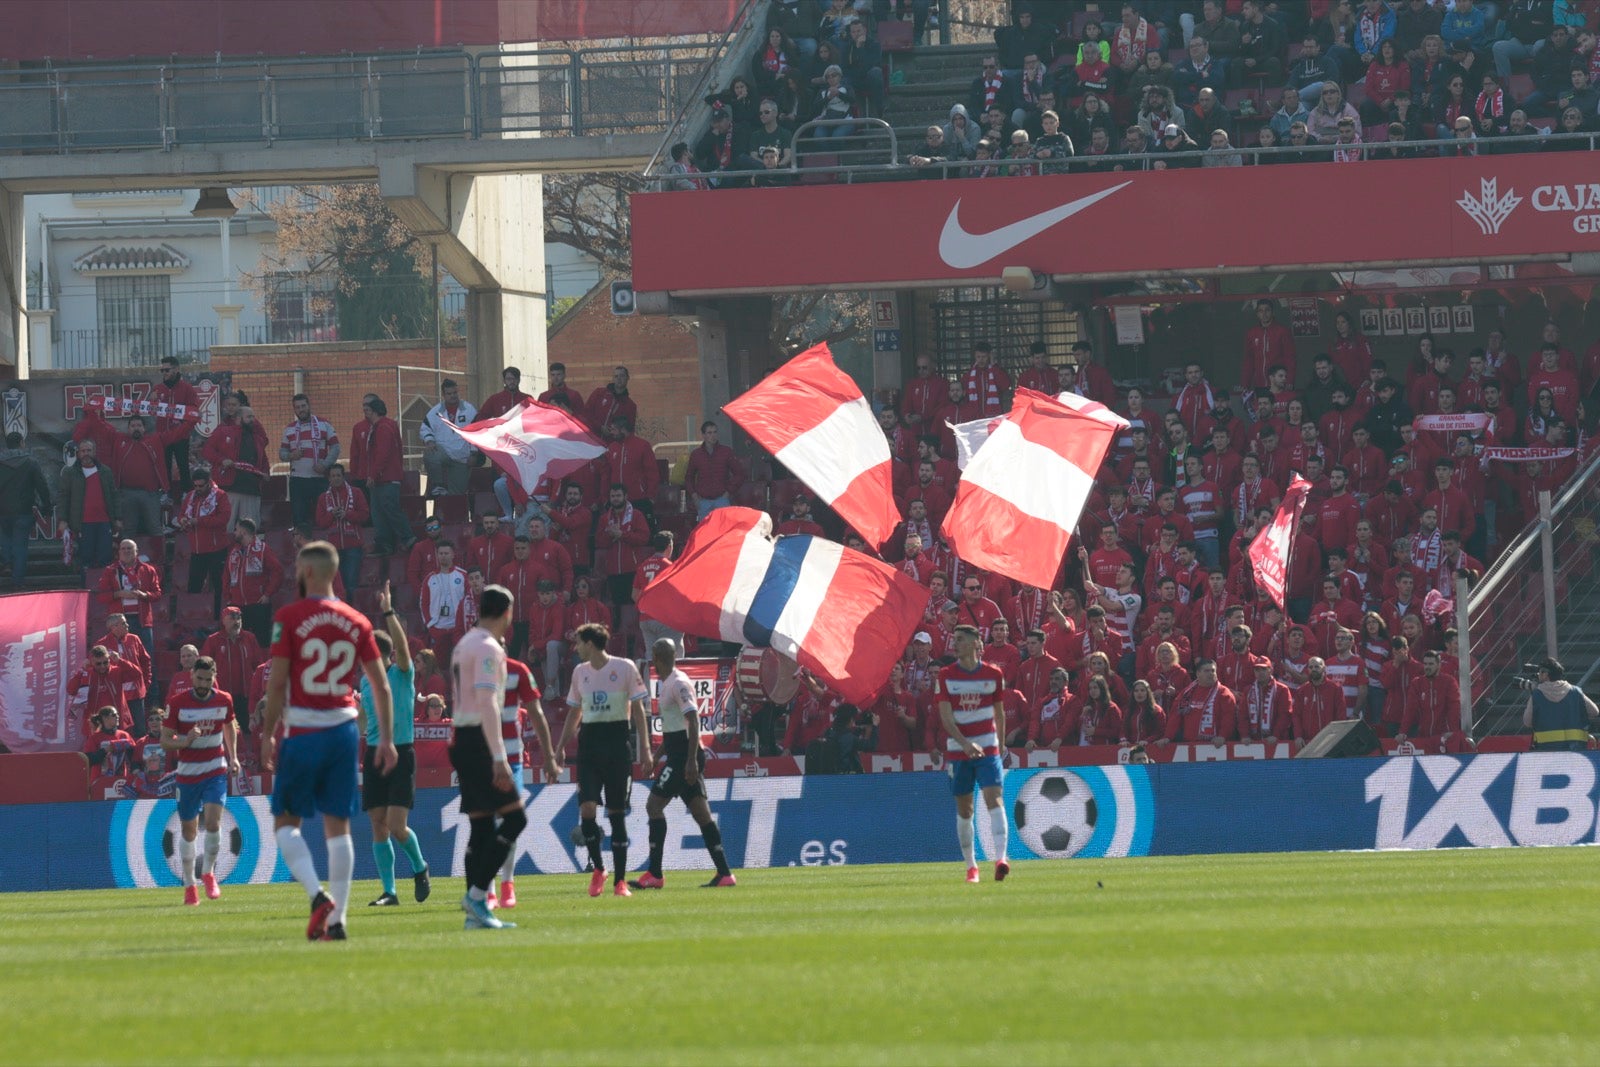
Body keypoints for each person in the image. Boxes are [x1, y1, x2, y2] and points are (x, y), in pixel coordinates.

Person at [261, 540, 397, 942]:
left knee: (286, 824)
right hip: (344, 731)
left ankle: (317, 895)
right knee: (339, 827)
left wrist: (267, 733)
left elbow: (277, 682)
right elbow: (381, 687)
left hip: (303, 730)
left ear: (307, 572)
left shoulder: (288, 617)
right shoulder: (358, 621)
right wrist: (386, 739)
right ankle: (339, 921)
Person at [554, 622, 653, 898]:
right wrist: (560, 747)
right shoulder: (579, 672)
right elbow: (575, 713)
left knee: (616, 814)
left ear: (590, 644)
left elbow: (639, 711)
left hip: (617, 746)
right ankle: (599, 868)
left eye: (578, 643)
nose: (575, 648)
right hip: (589, 747)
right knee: (587, 810)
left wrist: (645, 748)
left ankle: (620, 881)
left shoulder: (625, 668)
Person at [631, 638, 737, 890]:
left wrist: (690, 761)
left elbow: (693, 720)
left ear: (657, 658)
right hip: (679, 753)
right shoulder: (669, 683)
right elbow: (673, 729)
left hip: (683, 757)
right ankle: (725, 874)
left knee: (653, 805)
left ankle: (655, 874)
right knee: (702, 814)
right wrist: (657, 757)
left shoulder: (678, 683)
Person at [362, 582, 432, 908]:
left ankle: (420, 867)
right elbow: (364, 721)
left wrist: (388, 611)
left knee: (396, 825)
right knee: (378, 825)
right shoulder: (365, 682)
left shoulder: (402, 673)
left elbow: (403, 648)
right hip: (373, 754)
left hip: (401, 753)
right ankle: (389, 891)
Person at [161, 656, 240, 905]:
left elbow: (229, 726)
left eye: (208, 679)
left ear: (214, 677)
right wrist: (185, 740)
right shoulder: (177, 703)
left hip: (215, 770)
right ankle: (189, 884)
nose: (204, 684)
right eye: (200, 678)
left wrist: (234, 757)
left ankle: (208, 873)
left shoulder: (224, 699)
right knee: (189, 831)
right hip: (187, 775)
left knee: (214, 822)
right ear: (191, 676)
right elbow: (165, 741)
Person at [936, 624, 1009, 885]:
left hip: (988, 748)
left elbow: (999, 713)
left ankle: (1001, 859)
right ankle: (971, 867)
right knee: (965, 809)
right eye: (954, 639)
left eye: (960, 639)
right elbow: (946, 718)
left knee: (994, 798)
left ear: (975, 643)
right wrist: (965, 744)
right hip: (959, 751)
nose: (955, 644)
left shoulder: (993, 674)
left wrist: (1000, 745)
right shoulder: (946, 675)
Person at [490, 654, 560, 908]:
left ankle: (507, 884)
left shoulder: (518, 670)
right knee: (485, 824)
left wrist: (549, 756)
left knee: (510, 820)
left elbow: (536, 712)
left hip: (512, 759)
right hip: (481, 758)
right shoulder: (472, 669)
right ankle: (488, 890)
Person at [200, 392, 268, 533]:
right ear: (239, 418)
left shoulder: (258, 438)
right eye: (249, 417)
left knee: (249, 531)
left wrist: (266, 473)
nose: (253, 420)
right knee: (227, 528)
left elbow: (263, 458)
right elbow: (207, 450)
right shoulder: (223, 430)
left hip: (251, 489)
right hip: (229, 487)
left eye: (253, 417)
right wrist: (221, 460)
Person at [280, 393, 340, 531]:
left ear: (309, 405)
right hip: (298, 480)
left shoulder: (324, 424)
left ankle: (325, 543)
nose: (301, 410)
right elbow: (282, 454)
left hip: (320, 479)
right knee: (299, 519)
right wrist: (291, 455)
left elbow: (336, 447)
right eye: (297, 407)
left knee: (324, 517)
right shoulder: (289, 429)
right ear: (294, 410)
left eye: (303, 406)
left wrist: (325, 464)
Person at [59, 437, 118, 571]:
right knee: (86, 559)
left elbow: (114, 496)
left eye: (89, 450)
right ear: (78, 453)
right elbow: (63, 497)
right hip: (82, 524)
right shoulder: (70, 473)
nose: (86, 453)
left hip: (104, 522)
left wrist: (118, 518)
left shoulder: (105, 471)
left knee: (105, 558)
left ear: (94, 452)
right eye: (83, 451)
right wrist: (63, 520)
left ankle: (105, 584)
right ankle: (86, 583)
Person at [0, 432, 50, 590]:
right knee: (20, 546)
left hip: (2, 510)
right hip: (23, 510)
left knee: (5, 539)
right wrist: (47, 506)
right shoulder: (30, 462)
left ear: (7, 444)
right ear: (22, 443)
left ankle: (7, 562)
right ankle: (18, 582)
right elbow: (42, 486)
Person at [224, 518, 285, 647]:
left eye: (236, 530)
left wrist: (267, 594)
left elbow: (278, 571)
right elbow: (226, 576)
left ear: (244, 532)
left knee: (261, 642)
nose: (234, 533)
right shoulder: (233, 552)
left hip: (258, 604)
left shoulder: (263, 549)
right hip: (237, 606)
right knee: (239, 643)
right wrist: (228, 597)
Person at [1523, 656, 1600, 751]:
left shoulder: (1537, 694)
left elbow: (1527, 722)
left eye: (1540, 672)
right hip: (1576, 751)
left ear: (1545, 674)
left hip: (1546, 752)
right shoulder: (1576, 692)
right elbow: (1594, 712)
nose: (1538, 675)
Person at [419, 379, 478, 497]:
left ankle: (453, 506)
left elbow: (477, 432)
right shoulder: (435, 411)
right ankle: (438, 486)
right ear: (443, 395)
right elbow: (425, 428)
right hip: (443, 453)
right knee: (430, 453)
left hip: (462, 458)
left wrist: (474, 453)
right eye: (449, 393)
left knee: (457, 495)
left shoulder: (469, 409)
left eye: (455, 393)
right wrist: (429, 440)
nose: (453, 396)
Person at [152, 355, 201, 485]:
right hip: (163, 435)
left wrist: (183, 430)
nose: (164, 373)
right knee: (164, 466)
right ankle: (165, 492)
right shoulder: (157, 389)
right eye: (162, 370)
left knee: (183, 466)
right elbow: (151, 411)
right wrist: (153, 401)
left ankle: (186, 492)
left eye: (167, 370)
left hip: (180, 435)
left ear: (176, 369)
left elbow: (193, 412)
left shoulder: (187, 388)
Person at [684, 420, 745, 520]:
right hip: (703, 500)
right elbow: (689, 477)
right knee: (705, 529)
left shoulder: (726, 452)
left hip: (721, 498)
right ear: (703, 435)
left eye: (715, 432)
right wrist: (694, 496)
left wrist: (728, 492)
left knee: (724, 527)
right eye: (709, 433)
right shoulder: (696, 454)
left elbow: (739, 474)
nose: (713, 435)